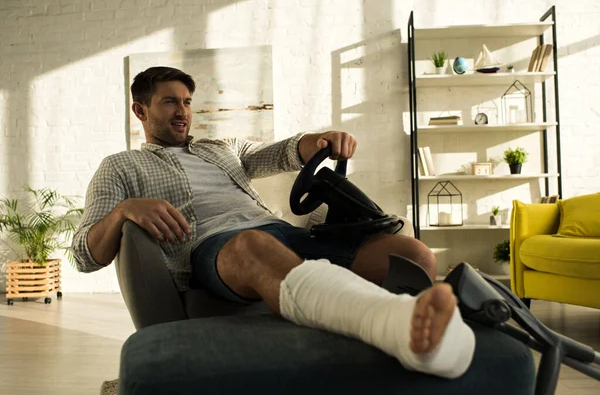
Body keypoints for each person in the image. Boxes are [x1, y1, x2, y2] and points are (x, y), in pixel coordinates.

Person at [72, 66, 475, 379]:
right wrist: (123, 211)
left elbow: (282, 154)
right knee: (253, 246)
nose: (183, 112)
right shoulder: (121, 166)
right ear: (140, 110)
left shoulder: (221, 148)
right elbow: (83, 256)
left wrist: (320, 139)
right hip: (215, 249)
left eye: (188, 101)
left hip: (288, 235)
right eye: (169, 102)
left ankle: (399, 341)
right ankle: (393, 326)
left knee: (411, 253)